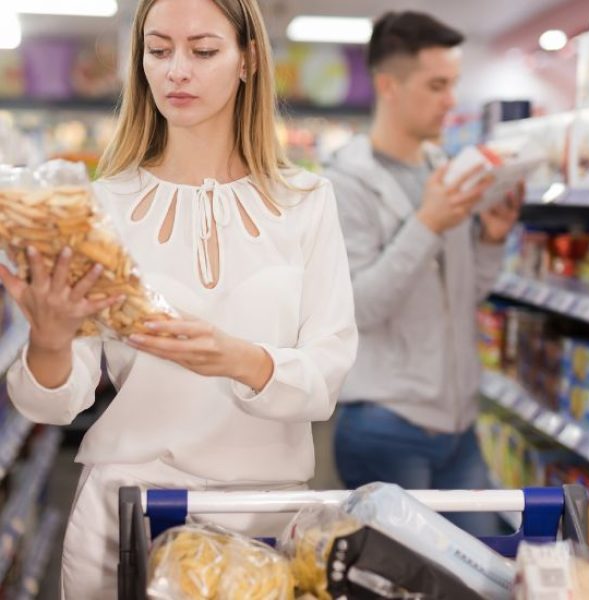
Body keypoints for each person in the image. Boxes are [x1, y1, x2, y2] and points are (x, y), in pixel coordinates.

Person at [0, 0, 357, 597]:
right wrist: (51, 339)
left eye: (203, 51)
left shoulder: (307, 200)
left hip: (264, 526)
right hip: (125, 518)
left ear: (247, 59)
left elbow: (329, 372)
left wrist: (238, 357)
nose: (176, 71)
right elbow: (55, 403)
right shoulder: (99, 206)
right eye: (158, 50)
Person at [325, 11, 521, 535]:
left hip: (459, 427)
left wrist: (493, 239)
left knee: (487, 573)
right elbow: (360, 306)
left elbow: (466, 296)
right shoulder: (343, 185)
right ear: (388, 85)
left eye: (453, 84)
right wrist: (427, 222)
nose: (451, 100)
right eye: (437, 85)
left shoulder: (448, 172)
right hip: (386, 426)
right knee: (405, 581)